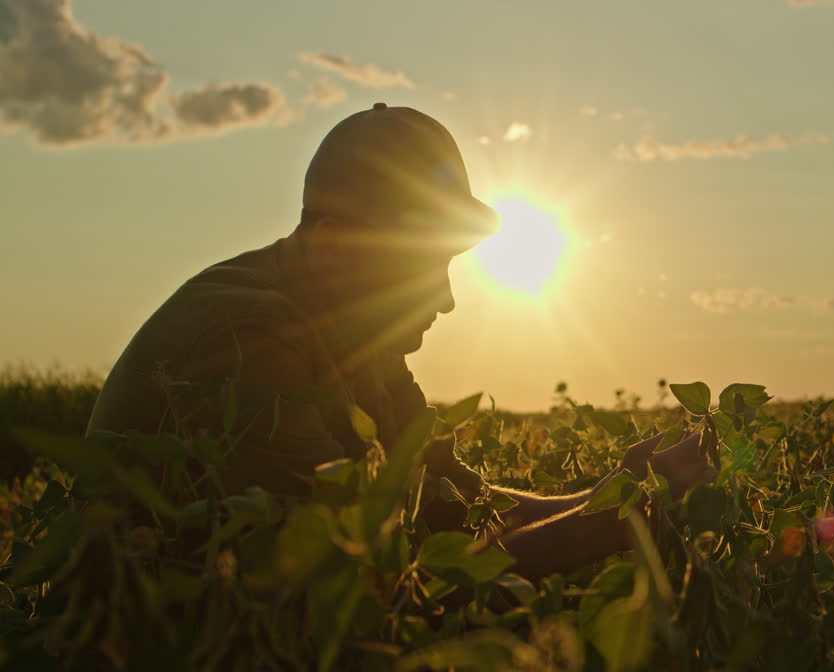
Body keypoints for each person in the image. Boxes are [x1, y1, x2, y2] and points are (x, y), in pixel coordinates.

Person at [86, 103, 713, 579]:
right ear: (335, 245)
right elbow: (376, 584)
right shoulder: (247, 336)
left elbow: (466, 506)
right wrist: (630, 511)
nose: (445, 299)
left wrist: (613, 485)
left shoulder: (361, 340)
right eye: (419, 265)